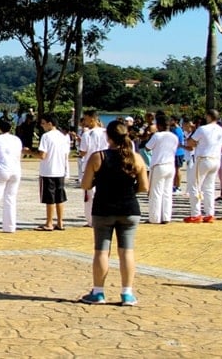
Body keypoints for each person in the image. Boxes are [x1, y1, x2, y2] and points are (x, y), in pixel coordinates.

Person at [79, 120, 149, 306]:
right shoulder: (136, 158)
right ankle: (127, 292)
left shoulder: (98, 157)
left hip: (104, 208)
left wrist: (96, 182)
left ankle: (98, 292)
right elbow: (144, 186)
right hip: (129, 208)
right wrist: (130, 191)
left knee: (102, 251)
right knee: (127, 251)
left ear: (107, 136)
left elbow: (85, 185)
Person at [185, 109, 222, 223]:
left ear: (209, 116)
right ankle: (210, 213)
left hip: (203, 158)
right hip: (216, 159)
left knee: (195, 186)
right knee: (209, 187)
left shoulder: (202, 129)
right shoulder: (220, 130)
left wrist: (197, 142)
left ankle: (196, 213)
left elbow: (190, 142)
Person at [35, 113, 70, 231]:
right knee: (59, 197)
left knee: (50, 198)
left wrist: (29, 151)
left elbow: (42, 155)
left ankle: (49, 222)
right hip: (60, 170)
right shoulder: (63, 136)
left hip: (48, 170)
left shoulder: (46, 136)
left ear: (50, 124)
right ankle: (60, 222)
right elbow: (66, 154)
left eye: (43, 123)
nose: (42, 125)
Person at [145, 114, 179, 224]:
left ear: (159, 125)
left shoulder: (157, 135)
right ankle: (166, 217)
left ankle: (154, 218)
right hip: (170, 165)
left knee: (156, 192)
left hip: (159, 165)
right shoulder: (174, 136)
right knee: (167, 192)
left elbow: (147, 147)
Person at [78, 110, 108, 227]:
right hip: (105, 164)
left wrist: (80, 151)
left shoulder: (87, 134)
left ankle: (92, 219)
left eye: (85, 119)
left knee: (90, 194)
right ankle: (103, 216)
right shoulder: (106, 132)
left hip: (90, 165)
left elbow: (83, 152)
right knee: (103, 192)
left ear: (92, 119)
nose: (84, 121)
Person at [168, 115, 185, 192]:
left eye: (171, 120)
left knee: (177, 169)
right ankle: (174, 185)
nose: (169, 121)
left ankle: (178, 186)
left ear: (175, 121)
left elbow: (178, 142)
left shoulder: (177, 130)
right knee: (175, 169)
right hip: (175, 152)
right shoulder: (174, 129)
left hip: (178, 153)